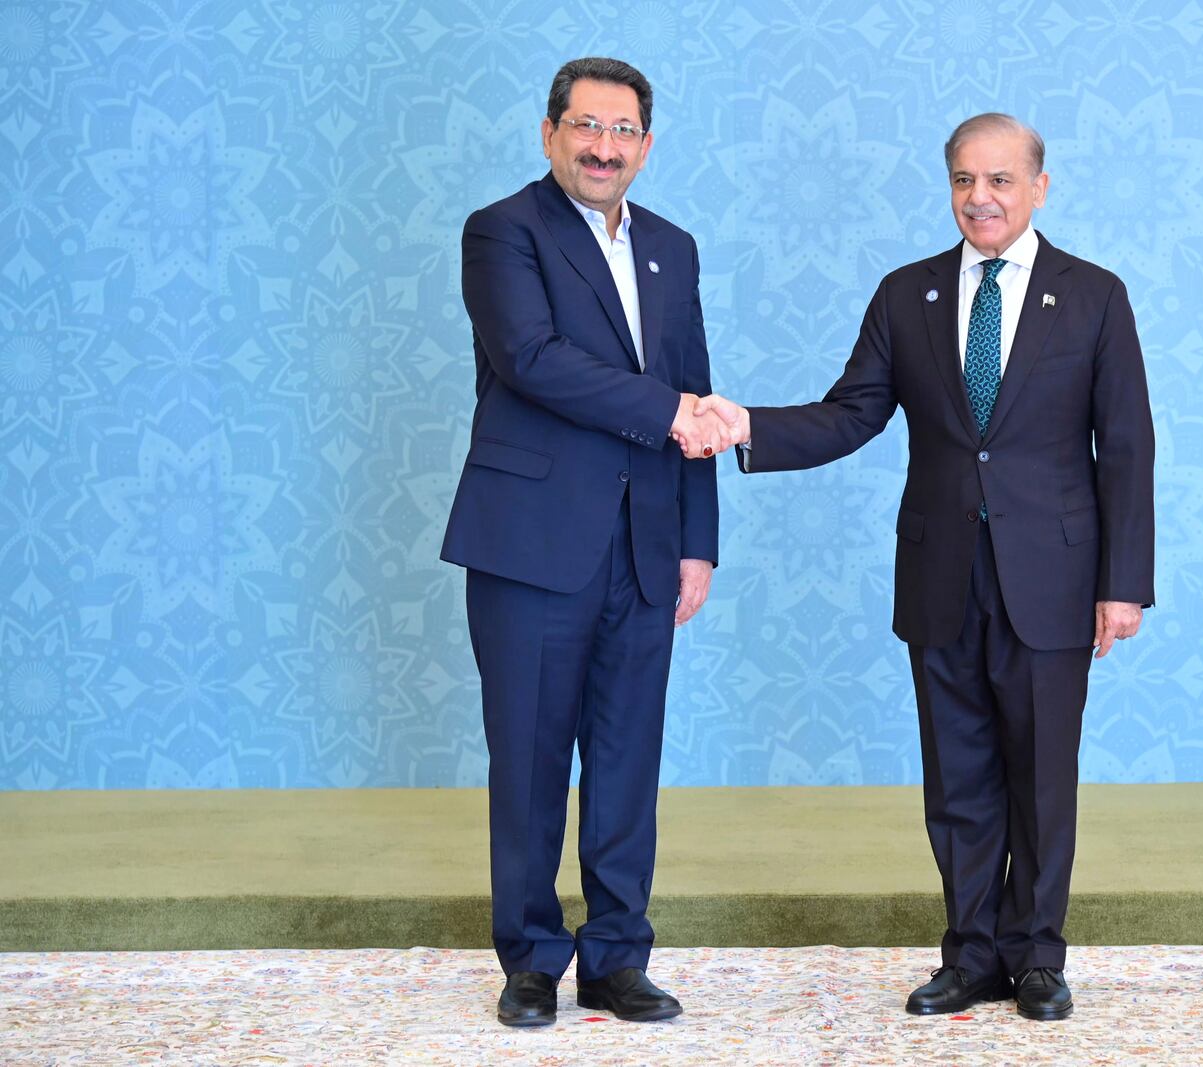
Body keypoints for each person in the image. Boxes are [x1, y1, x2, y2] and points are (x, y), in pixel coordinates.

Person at [700, 113, 1156, 1022]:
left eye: (998, 181)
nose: (978, 199)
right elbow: (852, 411)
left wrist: (1123, 581)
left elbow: (1129, 444)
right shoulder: (907, 295)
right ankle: (972, 953)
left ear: (1039, 186)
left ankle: (1037, 957)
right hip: (942, 572)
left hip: (1054, 579)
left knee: (1040, 777)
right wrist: (749, 424)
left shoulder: (1094, 295)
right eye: (962, 181)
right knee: (957, 780)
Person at [440, 56, 734, 1027]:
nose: (604, 147)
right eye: (585, 126)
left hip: (647, 547)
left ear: (645, 146)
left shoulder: (674, 248)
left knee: (624, 758)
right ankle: (530, 957)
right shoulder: (504, 232)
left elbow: (692, 375)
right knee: (527, 759)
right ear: (549, 133)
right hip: (531, 543)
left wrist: (698, 539)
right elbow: (533, 360)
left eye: (623, 131)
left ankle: (615, 954)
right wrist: (672, 412)